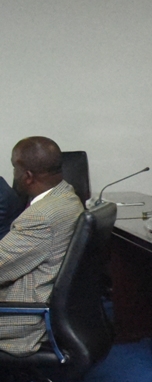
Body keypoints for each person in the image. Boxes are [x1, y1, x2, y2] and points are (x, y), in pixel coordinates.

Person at [0, 137, 83, 356]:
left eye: (14, 168)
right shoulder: (66, 195)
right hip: (45, 300)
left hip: (21, 315)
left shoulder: (40, 217)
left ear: (27, 176)